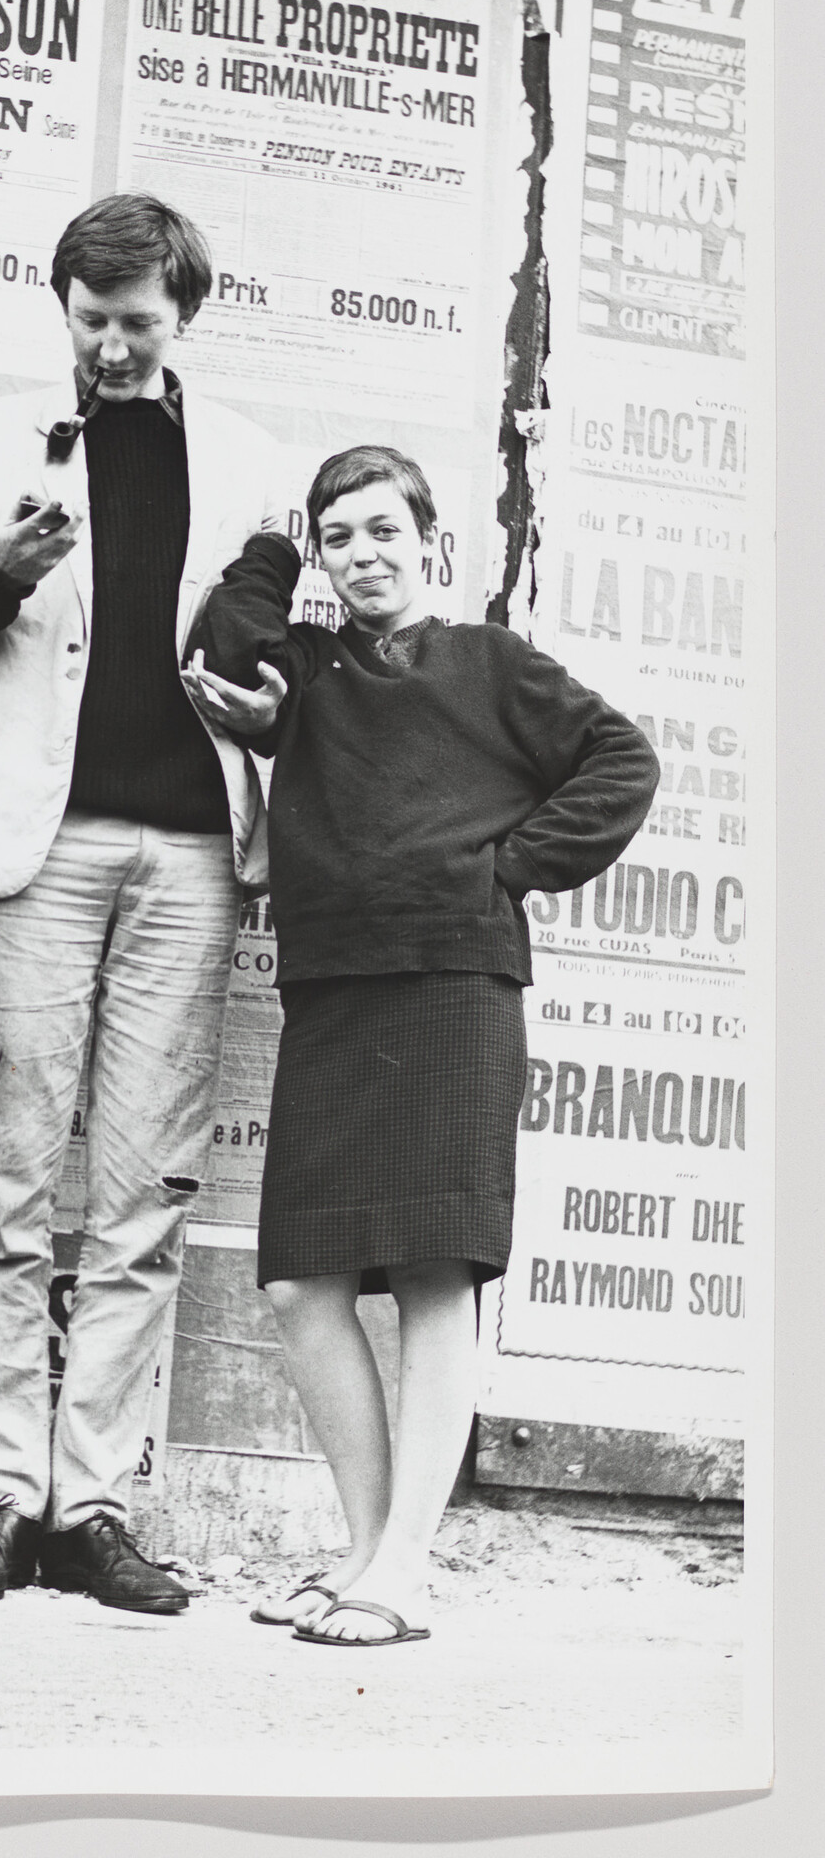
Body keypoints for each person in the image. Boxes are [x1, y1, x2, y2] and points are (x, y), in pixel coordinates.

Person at [0, 194, 290, 1615]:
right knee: (7, 1180)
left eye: (138, 323)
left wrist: (271, 703)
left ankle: (92, 1507)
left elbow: (286, 660)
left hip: (187, 856)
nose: (111, 345)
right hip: (31, 850)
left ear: (185, 318)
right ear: (59, 306)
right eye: (90, 319)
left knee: (138, 1201)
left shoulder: (250, 463)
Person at [184, 444, 659, 1646]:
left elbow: (622, 762)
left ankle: (403, 1566)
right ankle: (362, 1550)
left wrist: (506, 868)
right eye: (338, 536)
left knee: (439, 1273)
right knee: (301, 1282)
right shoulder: (307, 664)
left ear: (430, 543)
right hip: (337, 986)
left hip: (455, 979)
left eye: (383, 531)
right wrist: (267, 550)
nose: (363, 555)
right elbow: (221, 644)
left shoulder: (489, 660)